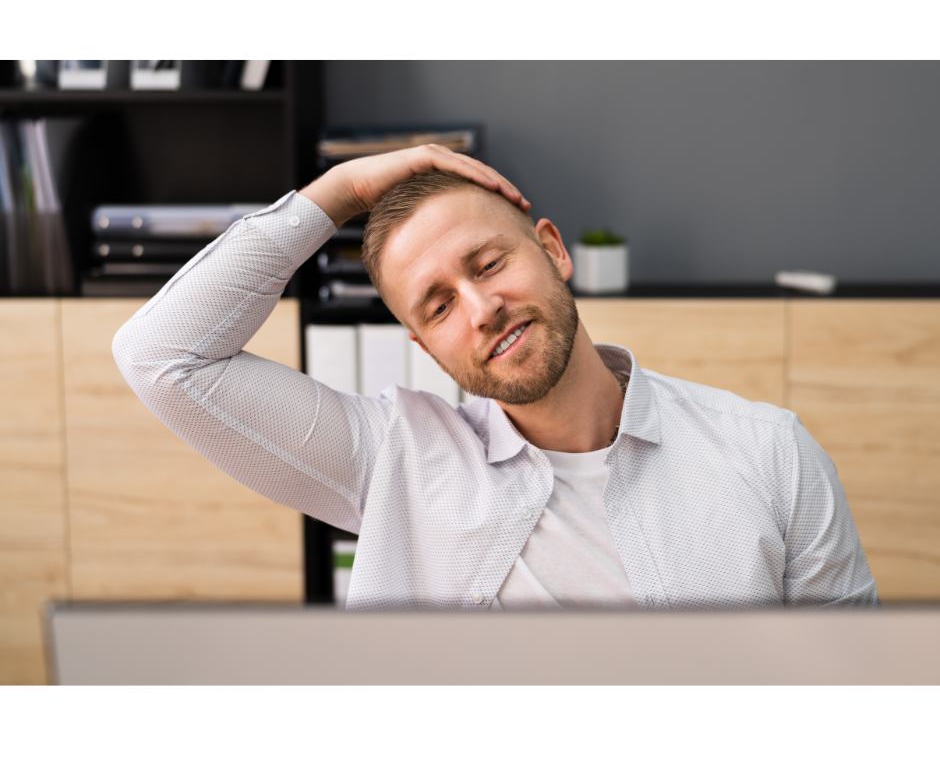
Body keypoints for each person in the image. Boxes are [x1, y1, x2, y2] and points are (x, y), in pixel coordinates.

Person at [113, 145, 879, 610]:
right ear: (423, 345)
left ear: (552, 249)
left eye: (489, 265)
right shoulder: (391, 459)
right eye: (439, 305)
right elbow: (163, 356)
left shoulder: (771, 453)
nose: (480, 309)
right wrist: (339, 192)